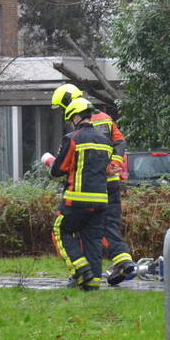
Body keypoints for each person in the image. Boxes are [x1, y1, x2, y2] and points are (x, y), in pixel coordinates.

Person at [51, 83, 135, 285]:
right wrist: (115, 163)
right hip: (109, 185)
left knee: (86, 229)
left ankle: (82, 271)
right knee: (105, 227)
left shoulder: (81, 126)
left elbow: (74, 158)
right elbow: (120, 142)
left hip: (89, 185)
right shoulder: (105, 119)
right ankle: (122, 262)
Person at [46, 97, 112, 291]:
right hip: (100, 201)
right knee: (92, 240)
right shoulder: (105, 141)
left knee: (60, 230)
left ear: (74, 116)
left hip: (76, 199)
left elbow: (58, 169)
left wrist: (50, 161)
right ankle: (91, 284)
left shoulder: (73, 138)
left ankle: (79, 267)